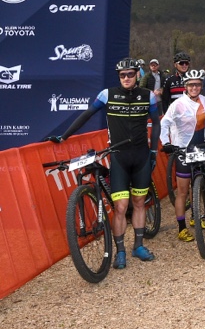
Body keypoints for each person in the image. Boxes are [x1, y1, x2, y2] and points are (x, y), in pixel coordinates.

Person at [46, 58, 160, 269]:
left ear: (137, 75)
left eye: (130, 74)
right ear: (119, 77)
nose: (126, 78)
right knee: (120, 206)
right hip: (119, 156)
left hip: (142, 156)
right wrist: (64, 136)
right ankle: (120, 251)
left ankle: (138, 246)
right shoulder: (107, 95)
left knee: (139, 202)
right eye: (122, 75)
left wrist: (153, 152)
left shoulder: (149, 96)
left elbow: (157, 124)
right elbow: (87, 115)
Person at [159, 69, 205, 242]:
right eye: (191, 84)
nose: (194, 87)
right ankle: (182, 228)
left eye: (198, 84)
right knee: (183, 191)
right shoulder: (178, 104)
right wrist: (167, 143)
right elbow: (165, 124)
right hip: (183, 150)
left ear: (201, 85)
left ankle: (196, 215)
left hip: (201, 147)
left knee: (199, 185)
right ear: (186, 86)